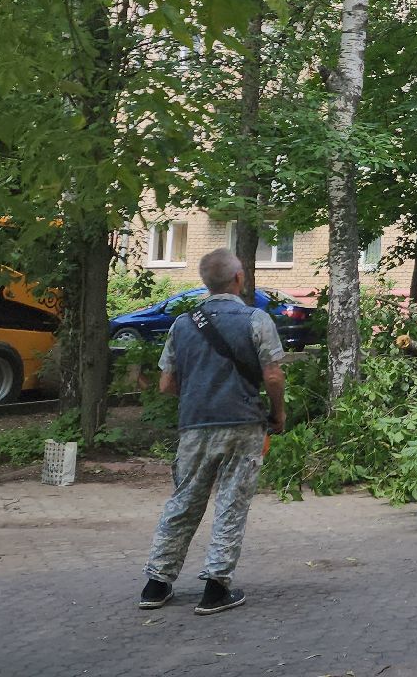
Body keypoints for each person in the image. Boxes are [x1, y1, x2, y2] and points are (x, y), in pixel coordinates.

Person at [138, 247, 287, 616]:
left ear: (205, 282)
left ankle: (157, 583)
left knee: (184, 501)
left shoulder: (182, 324)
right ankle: (216, 587)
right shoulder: (256, 319)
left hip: (194, 425)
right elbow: (272, 374)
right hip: (242, 424)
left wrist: (199, 393)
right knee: (231, 503)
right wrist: (278, 413)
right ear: (239, 279)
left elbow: (166, 384)